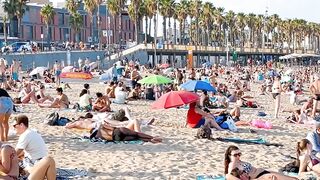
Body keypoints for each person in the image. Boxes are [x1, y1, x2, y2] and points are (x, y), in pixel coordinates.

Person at [14, 115, 56, 180]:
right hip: (36, 163)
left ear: (21, 125)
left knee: (49, 160)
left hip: (36, 163)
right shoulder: (31, 132)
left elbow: (15, 153)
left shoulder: (25, 135)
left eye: (14, 126)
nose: (14, 128)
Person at [224, 145, 297, 180]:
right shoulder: (232, 164)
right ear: (229, 155)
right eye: (235, 155)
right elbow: (229, 176)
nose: (238, 156)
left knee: (292, 178)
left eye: (239, 154)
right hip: (259, 177)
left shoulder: (239, 161)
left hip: (264, 172)